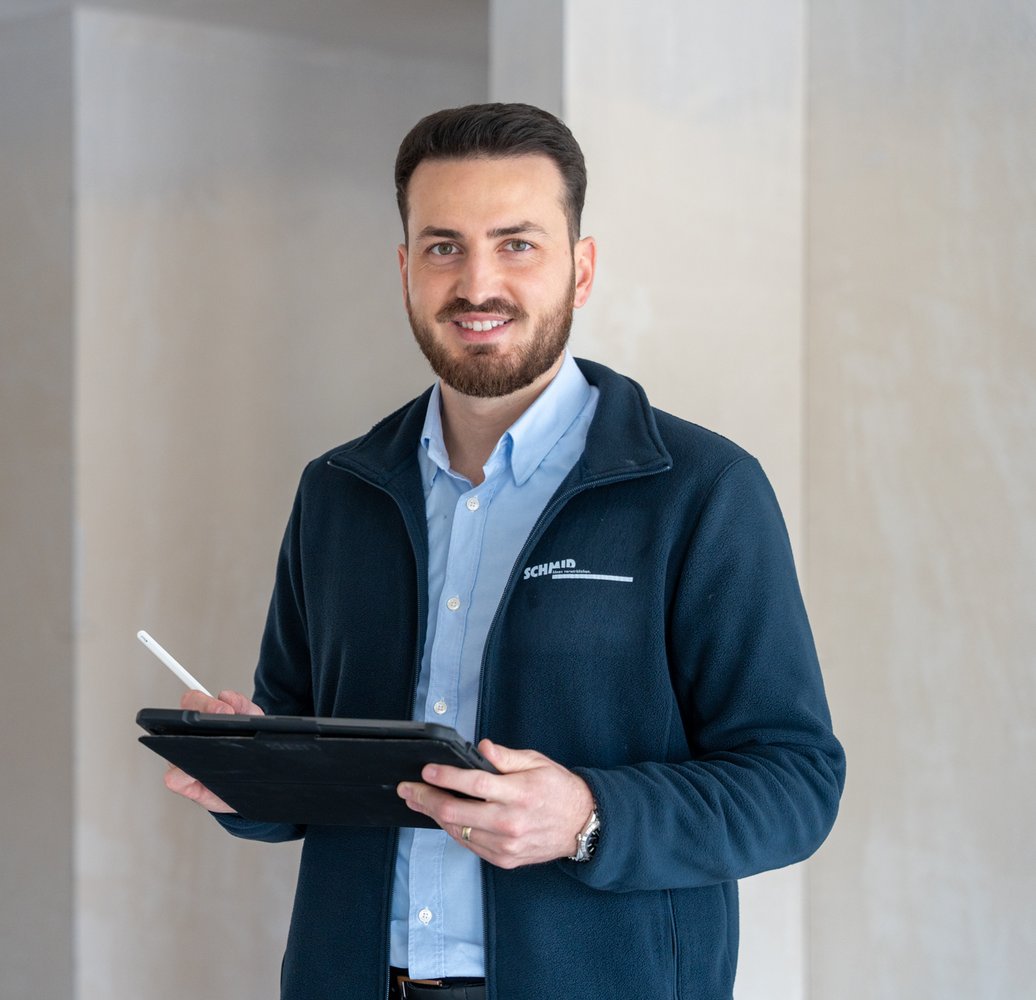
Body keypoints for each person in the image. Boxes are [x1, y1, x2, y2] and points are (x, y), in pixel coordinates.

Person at [162, 103, 845, 1000]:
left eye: (517, 244)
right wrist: (248, 774)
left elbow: (795, 785)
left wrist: (590, 820)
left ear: (582, 268)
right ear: (406, 270)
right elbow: (313, 767)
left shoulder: (700, 490)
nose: (477, 284)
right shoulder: (338, 492)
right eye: (444, 247)